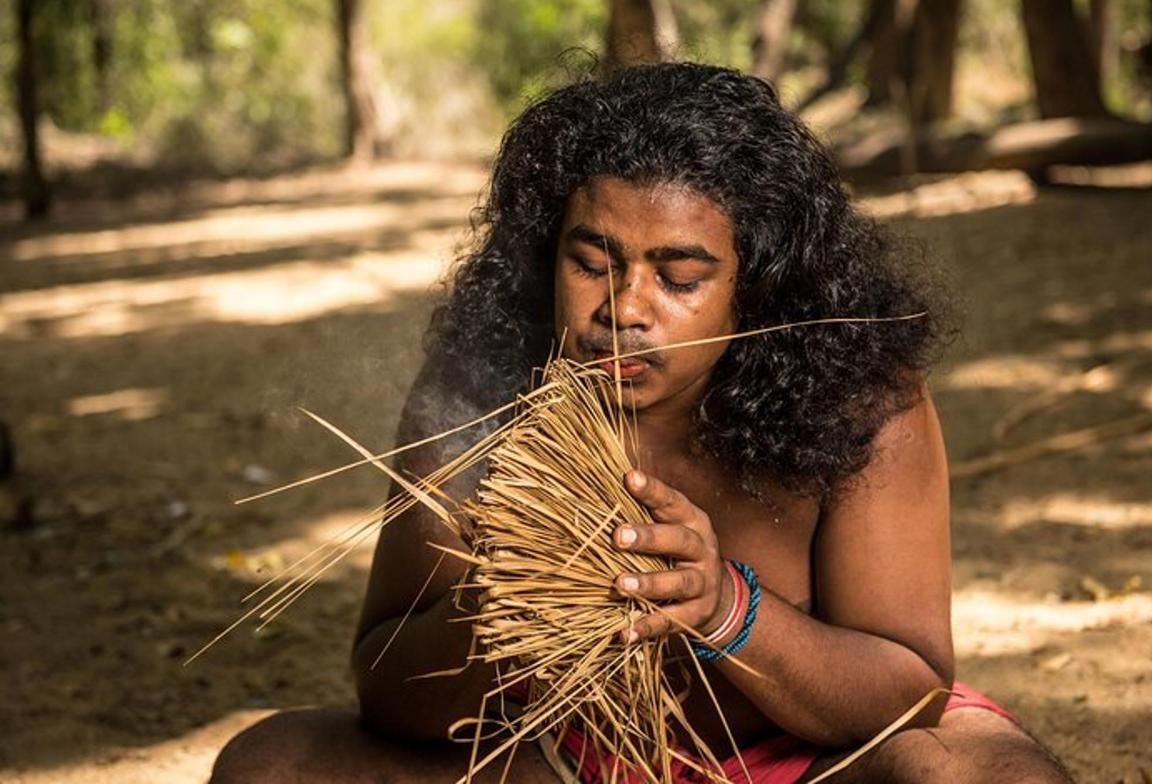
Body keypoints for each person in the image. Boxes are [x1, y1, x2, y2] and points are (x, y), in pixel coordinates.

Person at [212, 62, 1074, 783]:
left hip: (811, 764)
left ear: (757, 284)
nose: (624, 308)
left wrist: (724, 609)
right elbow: (387, 688)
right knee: (273, 763)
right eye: (591, 263)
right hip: (563, 762)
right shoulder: (478, 398)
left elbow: (910, 694)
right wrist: (500, 614)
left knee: (987, 772)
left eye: (680, 277)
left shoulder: (859, 401)